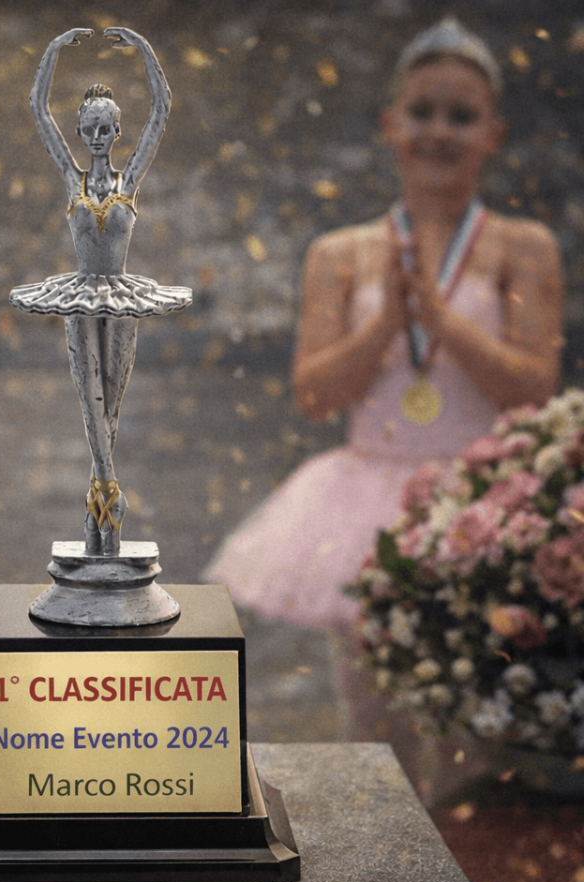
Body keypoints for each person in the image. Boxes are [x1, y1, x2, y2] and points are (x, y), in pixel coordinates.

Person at [204, 18, 563, 795]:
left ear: (493, 135)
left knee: (481, 724)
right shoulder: (341, 253)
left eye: (461, 116)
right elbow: (314, 395)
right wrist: (384, 324)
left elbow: (535, 391)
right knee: (373, 727)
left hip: (483, 502)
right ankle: (386, 863)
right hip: (364, 503)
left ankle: (472, 859)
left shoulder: (523, 247)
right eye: (422, 111)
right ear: (390, 124)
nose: (439, 131)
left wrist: (443, 320)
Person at [10, 27, 191, 556]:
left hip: (122, 294)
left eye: (104, 128)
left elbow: (161, 109)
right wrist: (51, 52)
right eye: (87, 128)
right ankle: (110, 495)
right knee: (87, 392)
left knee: (112, 395)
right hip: (79, 293)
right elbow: (38, 109)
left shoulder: (129, 181)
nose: (94, 136)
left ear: (116, 131)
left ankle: (99, 507)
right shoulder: (73, 181)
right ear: (79, 130)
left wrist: (145, 50)